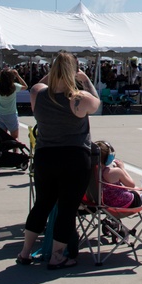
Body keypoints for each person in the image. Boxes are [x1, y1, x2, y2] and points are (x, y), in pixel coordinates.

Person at [18, 51, 100, 269]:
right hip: (73, 157)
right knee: (67, 208)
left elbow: (38, 85)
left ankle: (25, 252)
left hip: (45, 156)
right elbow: (97, 103)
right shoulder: (78, 99)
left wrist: (53, 75)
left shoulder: (39, 94)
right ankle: (56, 256)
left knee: (42, 204)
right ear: (73, 71)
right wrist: (85, 80)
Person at [93, 140, 142, 211]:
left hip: (102, 202)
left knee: (136, 190)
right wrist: (122, 168)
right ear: (107, 157)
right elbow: (131, 185)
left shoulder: (92, 172)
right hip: (123, 203)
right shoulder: (114, 172)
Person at [0, 68, 29, 139]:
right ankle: (14, 150)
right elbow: (25, 86)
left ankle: (4, 150)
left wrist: (0, 76)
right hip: (11, 114)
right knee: (14, 138)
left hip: (0, 114)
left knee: (3, 138)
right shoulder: (14, 86)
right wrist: (17, 75)